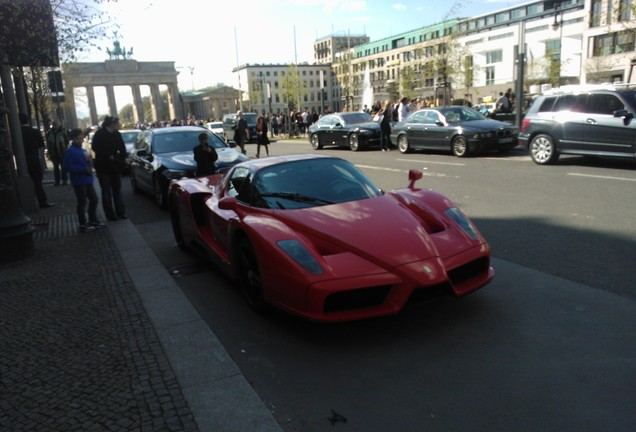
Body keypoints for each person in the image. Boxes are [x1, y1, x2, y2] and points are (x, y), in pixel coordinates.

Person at [63, 128, 104, 233]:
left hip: (87, 179)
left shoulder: (83, 150)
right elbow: (68, 167)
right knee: (82, 202)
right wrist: (84, 169)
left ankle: (92, 220)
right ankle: (83, 224)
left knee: (94, 199)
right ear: (73, 139)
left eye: (82, 138)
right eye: (78, 138)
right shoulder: (70, 151)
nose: (81, 140)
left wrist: (90, 162)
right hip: (79, 181)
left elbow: (88, 164)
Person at [91, 116, 127, 221]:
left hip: (115, 166)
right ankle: (110, 214)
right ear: (111, 124)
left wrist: (122, 158)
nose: (119, 125)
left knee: (117, 190)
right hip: (103, 167)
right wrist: (108, 155)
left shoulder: (117, 134)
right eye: (118, 123)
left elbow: (122, 148)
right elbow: (95, 147)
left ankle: (120, 212)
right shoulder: (99, 134)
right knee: (106, 192)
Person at [19, 113, 54, 208]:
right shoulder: (35, 132)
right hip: (34, 159)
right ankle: (43, 202)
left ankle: (27, 203)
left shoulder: (17, 133)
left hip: (21, 161)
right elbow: (41, 145)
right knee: (38, 183)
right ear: (28, 121)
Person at [46, 120, 68, 185]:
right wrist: (49, 152)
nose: (55, 125)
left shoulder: (63, 132)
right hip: (53, 153)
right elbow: (48, 143)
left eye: (56, 124)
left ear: (59, 125)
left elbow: (66, 141)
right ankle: (57, 181)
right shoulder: (50, 133)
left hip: (62, 152)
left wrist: (64, 148)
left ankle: (64, 180)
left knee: (63, 167)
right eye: (54, 124)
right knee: (55, 168)